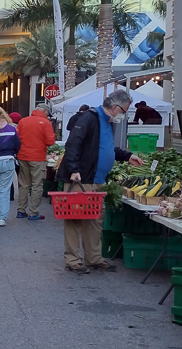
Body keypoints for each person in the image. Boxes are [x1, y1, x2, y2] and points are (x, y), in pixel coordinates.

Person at [59, 88, 144, 273]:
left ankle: (93, 257)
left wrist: (126, 156)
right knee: (74, 219)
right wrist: (74, 169)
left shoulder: (108, 122)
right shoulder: (89, 118)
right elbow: (73, 143)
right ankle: (73, 260)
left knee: (95, 219)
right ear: (114, 107)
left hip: (98, 179)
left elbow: (106, 147)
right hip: (82, 179)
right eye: (123, 111)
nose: (123, 116)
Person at [16, 104, 56, 221]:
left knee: (24, 184)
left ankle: (21, 210)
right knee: (36, 185)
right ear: (44, 111)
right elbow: (50, 141)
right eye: (47, 112)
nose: (48, 115)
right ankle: (33, 212)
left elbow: (17, 138)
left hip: (23, 156)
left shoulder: (23, 121)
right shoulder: (46, 123)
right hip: (37, 157)